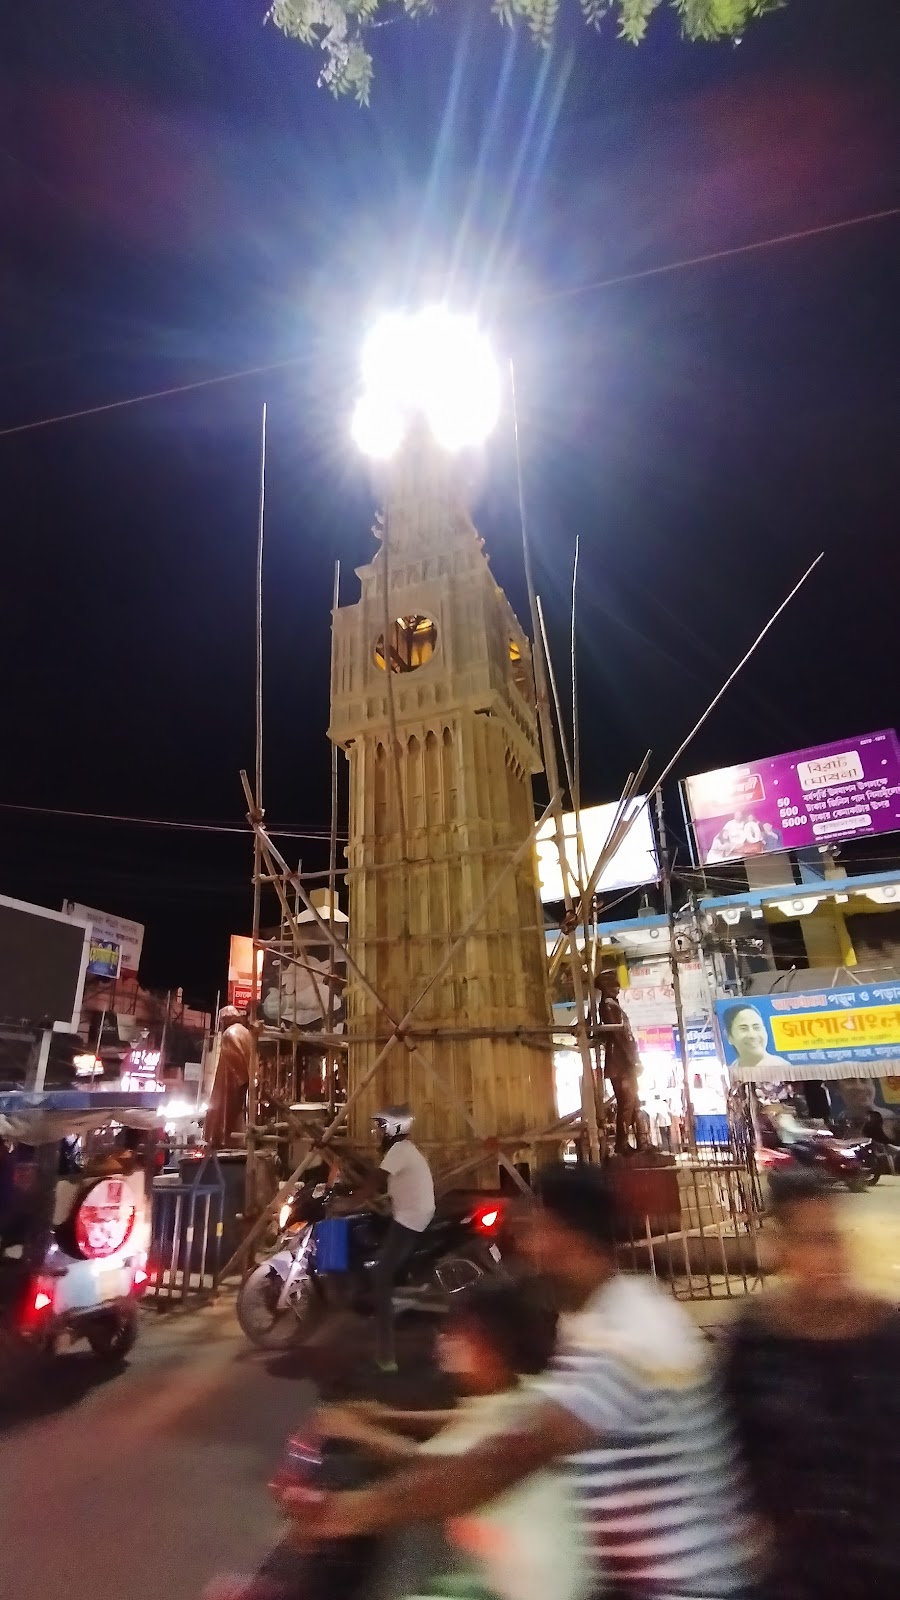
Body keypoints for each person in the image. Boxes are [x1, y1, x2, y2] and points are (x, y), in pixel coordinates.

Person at [280, 1164, 757, 1600]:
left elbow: (510, 1456)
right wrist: (386, 1416)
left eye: (535, 1231)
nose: (525, 1248)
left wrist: (348, 1513)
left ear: (570, 1237)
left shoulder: (626, 1338)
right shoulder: (601, 1316)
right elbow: (523, 1416)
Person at [317, 1276, 590, 1600]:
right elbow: (466, 1419)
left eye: (457, 1333)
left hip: (524, 1587)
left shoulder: (498, 1426)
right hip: (526, 1572)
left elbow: (433, 1469)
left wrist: (357, 1432)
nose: (443, 1341)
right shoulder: (527, 1391)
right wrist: (384, 1416)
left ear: (493, 1347)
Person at [723, 1169, 900, 1600]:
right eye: (810, 1241)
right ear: (780, 1248)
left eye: (833, 1238)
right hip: (797, 1572)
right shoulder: (755, 1340)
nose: (828, 1256)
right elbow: (735, 1448)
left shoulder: (886, 1332)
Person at [339, 1105, 435, 1372]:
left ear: (396, 1127)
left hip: (410, 1219)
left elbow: (374, 1181)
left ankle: (386, 1355)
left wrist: (348, 1204)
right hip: (408, 1213)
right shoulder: (400, 1151)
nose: (378, 1132)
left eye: (382, 1126)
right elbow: (379, 1180)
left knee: (381, 1276)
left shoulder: (400, 1150)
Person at [594, 969, 647, 1156]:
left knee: (632, 1103)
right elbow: (620, 1036)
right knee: (627, 1103)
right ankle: (623, 1144)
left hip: (623, 1062)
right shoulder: (609, 1006)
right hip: (620, 1063)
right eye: (614, 984)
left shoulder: (612, 1005)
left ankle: (639, 1142)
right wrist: (634, 1060)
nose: (617, 988)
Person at [722, 1003, 791, 1080]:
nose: (752, 1035)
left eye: (757, 1027)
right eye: (743, 1029)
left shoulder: (782, 1068)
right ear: (729, 1037)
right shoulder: (732, 1071)